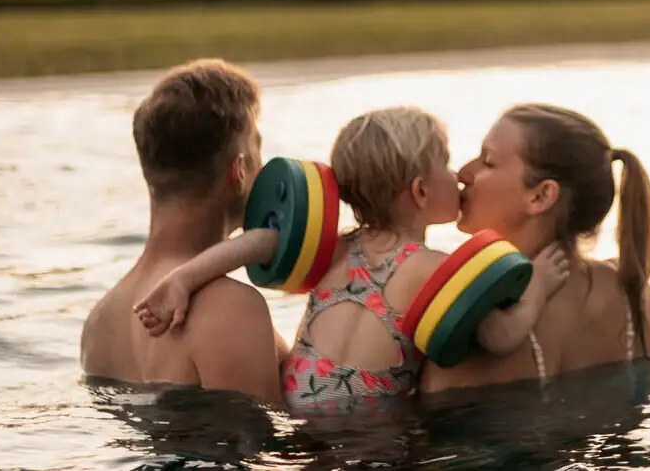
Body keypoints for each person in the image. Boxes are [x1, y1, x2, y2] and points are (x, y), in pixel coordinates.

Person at [133, 106, 571, 413]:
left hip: (296, 409)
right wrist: (538, 289)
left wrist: (184, 279)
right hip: (366, 433)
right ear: (420, 191)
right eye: (446, 164)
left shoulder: (333, 248)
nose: (458, 176)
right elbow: (499, 336)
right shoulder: (433, 268)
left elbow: (261, 241)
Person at [419, 103, 650, 395]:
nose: (463, 173)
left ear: (541, 196)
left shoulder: (481, 325)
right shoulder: (635, 294)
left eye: (487, 162)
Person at [80, 58, 286, 406]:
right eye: (257, 150)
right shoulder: (230, 309)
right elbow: (270, 439)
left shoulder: (100, 321)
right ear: (238, 170)